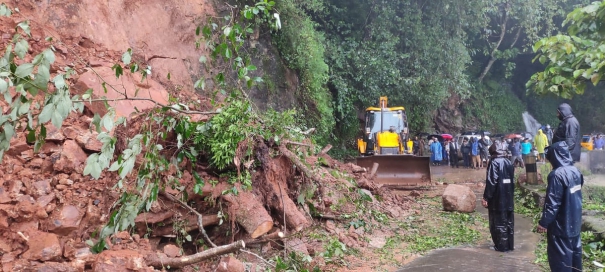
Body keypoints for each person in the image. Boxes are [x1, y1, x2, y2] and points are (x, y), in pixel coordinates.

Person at [536, 141, 583, 272]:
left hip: (561, 226)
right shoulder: (576, 171)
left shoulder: (557, 175)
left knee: (561, 261)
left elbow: (552, 203)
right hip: (575, 222)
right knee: (575, 258)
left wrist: (544, 223)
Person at [482, 140, 515, 252]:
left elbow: (492, 181)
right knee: (509, 223)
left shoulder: (494, 162)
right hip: (509, 198)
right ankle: (510, 246)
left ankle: (501, 247)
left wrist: (486, 197)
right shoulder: (508, 162)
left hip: (497, 199)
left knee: (499, 224)